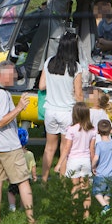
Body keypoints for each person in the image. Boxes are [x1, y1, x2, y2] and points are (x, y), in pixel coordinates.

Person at [0, 61, 35, 224]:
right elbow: (1, 122)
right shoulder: (0, 94)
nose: (15, 76)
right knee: (23, 181)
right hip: (7, 146)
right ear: (2, 75)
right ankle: (30, 219)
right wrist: (19, 107)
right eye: (12, 73)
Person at [38, 32, 83, 184]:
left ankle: (43, 180)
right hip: (67, 112)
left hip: (50, 111)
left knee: (49, 147)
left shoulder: (49, 62)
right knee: (65, 149)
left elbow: (41, 86)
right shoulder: (75, 67)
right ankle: (63, 181)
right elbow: (78, 95)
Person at [58, 101, 96, 217]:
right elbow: (92, 150)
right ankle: (86, 213)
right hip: (85, 161)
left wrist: (59, 164)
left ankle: (74, 212)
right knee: (86, 189)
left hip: (73, 161)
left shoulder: (71, 129)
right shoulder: (92, 130)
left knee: (74, 188)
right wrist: (94, 164)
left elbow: (66, 148)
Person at [91, 119, 112, 214]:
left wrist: (93, 166)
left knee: (96, 192)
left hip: (101, 174)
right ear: (111, 131)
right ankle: (106, 212)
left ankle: (105, 206)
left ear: (98, 132)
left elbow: (96, 158)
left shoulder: (99, 145)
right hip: (111, 174)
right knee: (108, 194)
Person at [7, 128, 37, 213]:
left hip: (13, 177)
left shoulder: (11, 154)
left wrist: (7, 175)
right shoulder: (30, 154)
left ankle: (12, 206)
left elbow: (9, 165)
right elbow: (33, 166)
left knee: (11, 192)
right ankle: (22, 206)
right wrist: (34, 175)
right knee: (23, 192)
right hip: (26, 177)